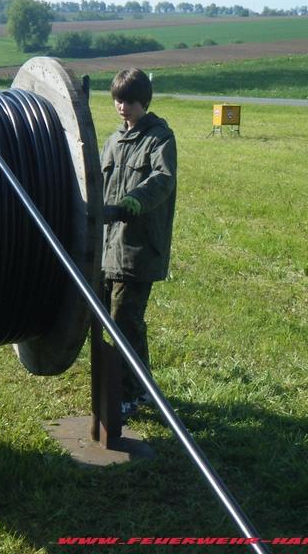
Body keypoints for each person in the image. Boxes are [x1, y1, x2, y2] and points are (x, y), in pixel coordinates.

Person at [100, 68, 177, 421]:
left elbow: (162, 179)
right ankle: (144, 385)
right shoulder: (112, 141)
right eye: (118, 99)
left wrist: (135, 199)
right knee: (118, 320)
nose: (123, 107)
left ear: (144, 101)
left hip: (138, 249)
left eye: (130, 100)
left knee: (124, 321)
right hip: (106, 249)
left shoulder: (159, 138)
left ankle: (127, 396)